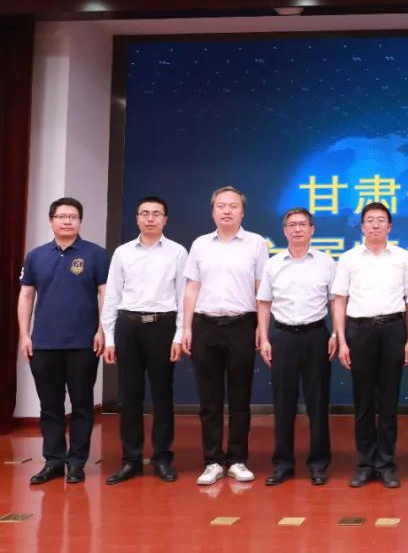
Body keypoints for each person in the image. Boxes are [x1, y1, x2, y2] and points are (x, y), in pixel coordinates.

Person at [182, 186, 269, 486]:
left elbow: (262, 289)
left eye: (233, 206)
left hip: (242, 324)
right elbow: (192, 288)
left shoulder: (256, 243)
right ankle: (212, 461)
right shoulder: (200, 244)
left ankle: (237, 459)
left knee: (240, 396)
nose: (227, 211)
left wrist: (260, 328)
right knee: (209, 399)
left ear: (242, 212)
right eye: (221, 206)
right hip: (205, 325)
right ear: (213, 212)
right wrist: (187, 327)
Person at [17, 197, 107, 485]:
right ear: (51, 220)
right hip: (44, 343)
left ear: (80, 221)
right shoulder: (36, 256)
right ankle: (53, 461)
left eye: (73, 217)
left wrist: (102, 330)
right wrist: (24, 334)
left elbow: (105, 294)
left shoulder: (96, 254)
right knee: (50, 406)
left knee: (81, 405)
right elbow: (26, 296)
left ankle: (77, 462)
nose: (67, 221)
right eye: (61, 216)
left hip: (83, 343)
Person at [101, 196, 187, 485]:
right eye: (144, 213)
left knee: (162, 395)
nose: (150, 218)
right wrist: (109, 337)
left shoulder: (177, 252)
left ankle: (162, 458)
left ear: (165, 219)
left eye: (156, 214)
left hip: (162, 326)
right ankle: (131, 459)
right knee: (129, 396)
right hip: (128, 326)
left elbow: (183, 297)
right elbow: (112, 296)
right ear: (137, 218)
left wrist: (178, 335)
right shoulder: (123, 253)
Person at [333, 202, 408, 489]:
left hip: (393, 329)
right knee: (364, 401)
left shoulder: (403, 257)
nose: (376, 225)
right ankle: (366, 463)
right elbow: (339, 301)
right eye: (370, 220)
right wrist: (342, 340)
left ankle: (387, 464)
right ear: (362, 227)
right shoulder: (349, 259)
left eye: (381, 220)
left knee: (389, 401)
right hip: (359, 331)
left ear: (389, 226)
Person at [257, 207, 337, 486]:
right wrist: (264, 338)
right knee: (283, 404)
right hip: (283, 337)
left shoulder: (326, 262)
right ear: (285, 231)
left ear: (312, 229)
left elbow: (335, 302)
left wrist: (336, 334)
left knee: (318, 403)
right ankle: (283, 465)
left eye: (303, 224)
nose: (298, 229)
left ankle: (318, 464)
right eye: (292, 225)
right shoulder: (273, 264)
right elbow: (264, 303)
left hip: (316, 336)